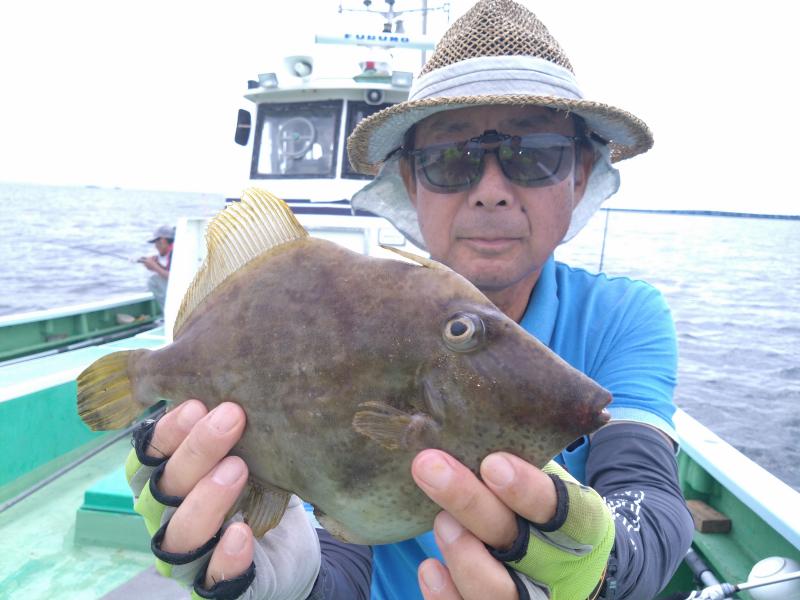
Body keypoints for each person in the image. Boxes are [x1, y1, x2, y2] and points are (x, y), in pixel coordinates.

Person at [124, 1, 694, 598]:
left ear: (579, 175)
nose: (492, 191)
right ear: (409, 181)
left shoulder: (620, 318)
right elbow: (347, 539)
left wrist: (602, 566)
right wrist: (291, 582)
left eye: (535, 153)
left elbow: (649, 496)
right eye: (451, 159)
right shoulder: (342, 320)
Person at [140, 224, 174, 310]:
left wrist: (155, 267)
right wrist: (157, 264)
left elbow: (175, 278)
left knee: (153, 280)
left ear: (163, 240)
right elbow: (172, 271)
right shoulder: (174, 250)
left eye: (156, 243)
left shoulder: (176, 252)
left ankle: (169, 312)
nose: (155, 246)